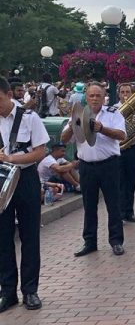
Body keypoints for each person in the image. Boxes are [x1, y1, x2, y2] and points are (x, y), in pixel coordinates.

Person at [0, 76, 49, 313]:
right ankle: (7, 291)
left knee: (30, 236)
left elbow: (40, 152)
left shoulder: (30, 118)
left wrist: (11, 158)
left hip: (25, 179)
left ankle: (30, 290)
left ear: (9, 95)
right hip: (0, 182)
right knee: (2, 237)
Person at [61, 82, 127, 257]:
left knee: (113, 204)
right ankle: (89, 242)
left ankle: (116, 241)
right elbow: (64, 139)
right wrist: (72, 125)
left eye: (98, 95)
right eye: (92, 95)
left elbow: (122, 135)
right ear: (86, 97)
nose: (95, 99)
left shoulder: (113, 113)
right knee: (89, 206)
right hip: (87, 166)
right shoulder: (78, 114)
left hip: (109, 164)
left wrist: (102, 129)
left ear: (104, 96)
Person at [115, 84, 135, 223]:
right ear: (118, 94)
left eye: (128, 92)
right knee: (119, 183)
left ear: (132, 94)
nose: (125, 94)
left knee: (131, 182)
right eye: (123, 92)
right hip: (118, 150)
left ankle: (129, 212)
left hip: (133, 149)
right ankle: (119, 214)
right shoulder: (113, 110)